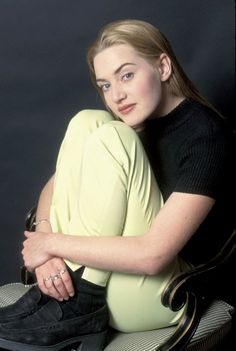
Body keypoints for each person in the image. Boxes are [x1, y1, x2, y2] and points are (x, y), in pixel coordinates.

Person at [0, 19, 234, 351]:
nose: (116, 95)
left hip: (160, 294)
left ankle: (79, 302)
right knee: (88, 120)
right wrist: (45, 244)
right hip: (108, 277)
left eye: (127, 75)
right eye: (105, 85)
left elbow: (154, 255)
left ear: (163, 66)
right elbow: (54, 187)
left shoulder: (205, 137)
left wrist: (53, 244)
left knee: (112, 133)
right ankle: (74, 297)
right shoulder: (132, 124)